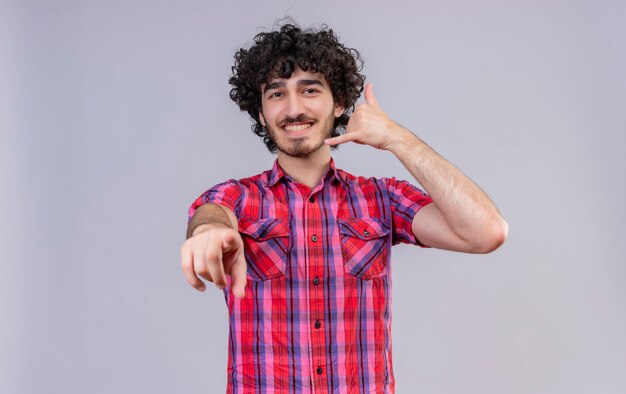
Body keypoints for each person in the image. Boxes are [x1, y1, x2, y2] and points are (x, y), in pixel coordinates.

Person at [180, 23, 508, 393]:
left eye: (310, 90)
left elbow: (486, 232)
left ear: (338, 104)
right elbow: (210, 214)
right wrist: (211, 232)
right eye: (276, 94)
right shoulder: (236, 198)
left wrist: (396, 139)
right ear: (260, 113)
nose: (293, 108)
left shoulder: (382, 200)